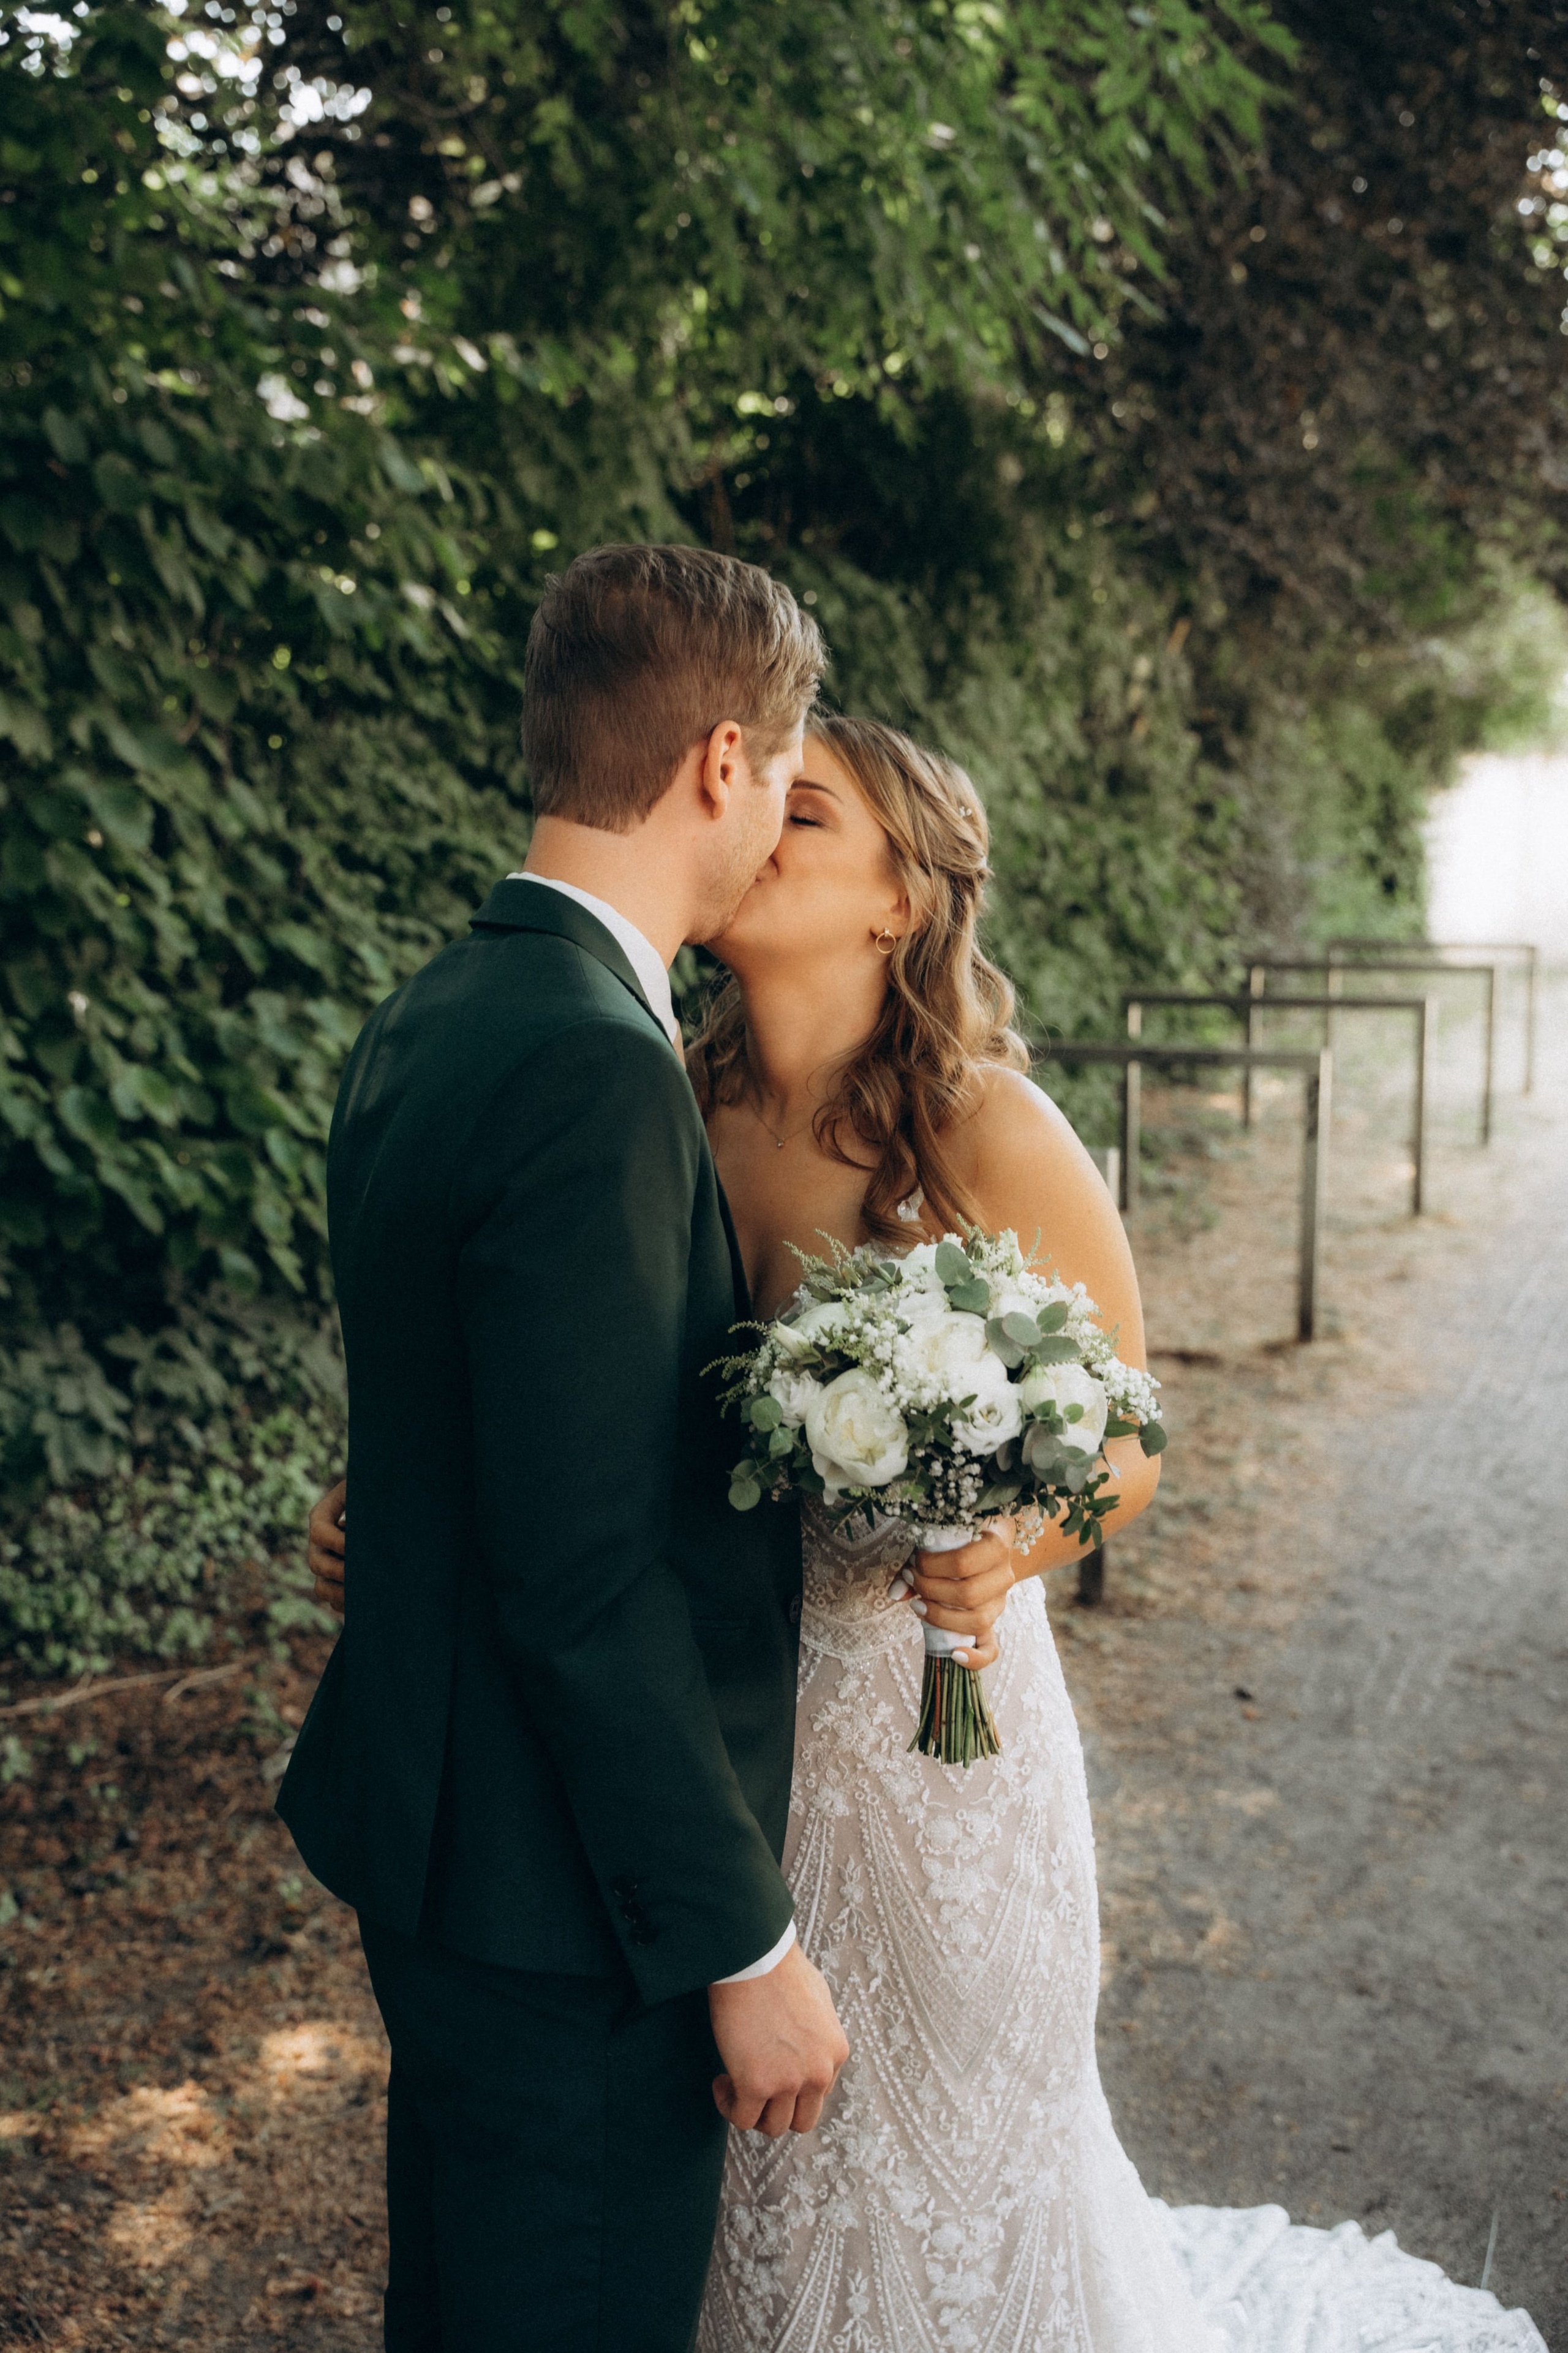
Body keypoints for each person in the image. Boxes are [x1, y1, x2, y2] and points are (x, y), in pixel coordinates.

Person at [306, 706, 1548, 2351]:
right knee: (748, 2192)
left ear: (902, 898)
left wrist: (1014, 1543)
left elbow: (1128, 1432)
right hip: (717, 1751)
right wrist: (405, 1517)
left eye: (802, 814)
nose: (754, 828)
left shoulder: (989, 1128)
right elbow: (573, 1415)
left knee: (942, 2172)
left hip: (930, 1742)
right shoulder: (658, 1094)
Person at [277, 543, 864, 2353]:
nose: (777, 812)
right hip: (568, 1904)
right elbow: (588, 1579)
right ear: (716, 760)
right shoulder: (601, 1065)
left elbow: (470, 1446)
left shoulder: (437, 1011)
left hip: (446, 1851)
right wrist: (743, 1945)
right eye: (782, 770)